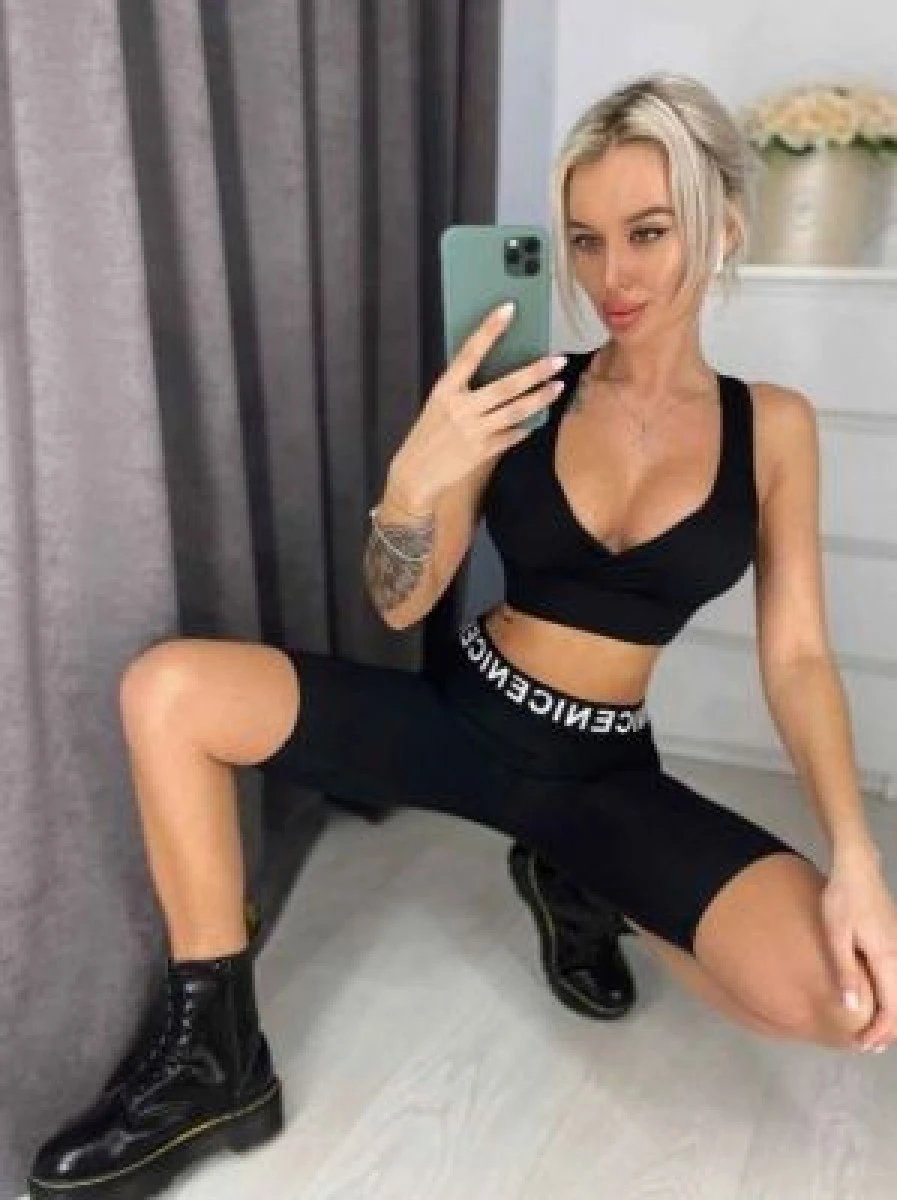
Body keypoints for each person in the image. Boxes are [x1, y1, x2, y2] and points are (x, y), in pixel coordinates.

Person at [29, 71, 890, 1200]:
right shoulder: (520, 390)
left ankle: (578, 876)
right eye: (584, 240)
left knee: (844, 996)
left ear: (722, 224)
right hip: (458, 715)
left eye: (647, 231)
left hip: (599, 773)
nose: (613, 277)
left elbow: (799, 657)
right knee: (168, 690)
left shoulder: (771, 426)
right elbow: (399, 601)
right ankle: (217, 1060)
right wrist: (414, 479)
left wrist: (855, 858)